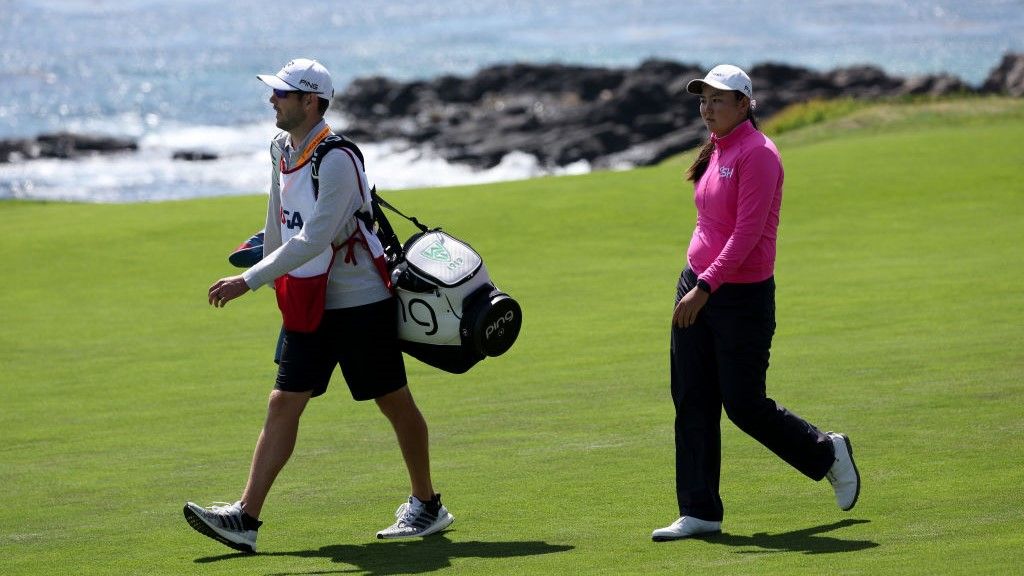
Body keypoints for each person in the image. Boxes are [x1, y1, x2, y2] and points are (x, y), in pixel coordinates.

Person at [183, 58, 453, 554]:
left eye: (282, 94)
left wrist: (250, 280)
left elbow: (315, 236)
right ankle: (245, 517)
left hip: (359, 303)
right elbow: (278, 221)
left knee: (394, 402)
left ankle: (427, 504)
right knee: (283, 401)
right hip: (309, 302)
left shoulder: (338, 158)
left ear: (310, 101)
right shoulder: (281, 148)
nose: (272, 100)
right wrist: (273, 279)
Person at [651, 64, 860, 541]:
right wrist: (693, 279)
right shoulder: (716, 150)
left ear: (745, 105)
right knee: (692, 399)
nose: (707, 108)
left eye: (718, 100)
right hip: (697, 285)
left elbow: (747, 235)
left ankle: (827, 453)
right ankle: (700, 510)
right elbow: (710, 224)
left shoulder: (759, 154)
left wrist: (705, 287)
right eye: (703, 100)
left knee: (744, 404)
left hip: (738, 296)